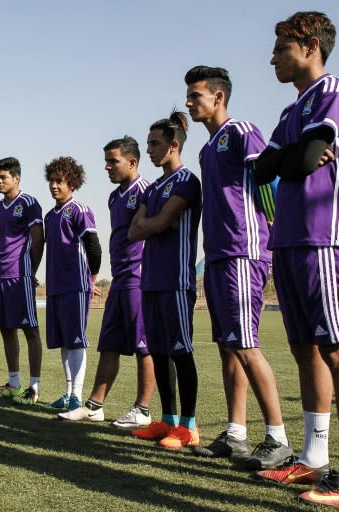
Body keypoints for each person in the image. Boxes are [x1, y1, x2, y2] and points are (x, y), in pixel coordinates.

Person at [184, 65, 292, 468]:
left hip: (243, 253)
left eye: (196, 95)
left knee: (246, 345)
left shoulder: (241, 130)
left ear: (219, 97)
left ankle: (278, 439)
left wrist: (277, 223)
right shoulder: (207, 148)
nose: (190, 102)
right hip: (217, 256)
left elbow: (269, 181)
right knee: (229, 347)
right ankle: (235, 434)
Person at [252, 11, 339, 507]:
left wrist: (295, 155)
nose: (272, 57)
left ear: (308, 46)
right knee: (307, 350)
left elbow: (306, 161)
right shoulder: (290, 113)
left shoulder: (331, 93)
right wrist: (294, 155)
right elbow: (265, 170)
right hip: (286, 241)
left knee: (334, 348)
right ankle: (314, 455)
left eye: (280, 48)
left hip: (320, 240)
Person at [127, 111, 202, 450]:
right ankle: (168, 420)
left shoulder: (188, 180)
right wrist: (156, 223)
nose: (150, 150)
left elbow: (155, 225)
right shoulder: (154, 186)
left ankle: (189, 426)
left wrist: (156, 223)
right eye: (147, 144)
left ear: (173, 145)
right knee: (158, 352)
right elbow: (133, 231)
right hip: (151, 280)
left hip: (176, 279)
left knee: (180, 351)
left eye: (154, 144)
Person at [73, 137, 155, 428]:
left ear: (132, 162)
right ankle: (94, 406)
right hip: (120, 278)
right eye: (106, 161)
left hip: (139, 277)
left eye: (113, 161)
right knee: (108, 343)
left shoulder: (147, 191)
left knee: (144, 345)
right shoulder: (114, 196)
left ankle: (142, 409)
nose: (107, 167)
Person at [42, 157, 101, 420]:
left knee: (76, 340)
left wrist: (92, 278)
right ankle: (68, 392)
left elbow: (94, 246)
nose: (54, 186)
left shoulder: (79, 209)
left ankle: (77, 394)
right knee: (63, 341)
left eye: (59, 181)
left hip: (76, 284)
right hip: (55, 285)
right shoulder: (49, 216)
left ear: (72, 183)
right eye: (52, 181)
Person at [0, 157, 45, 405]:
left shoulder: (30, 203)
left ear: (17, 178)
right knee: (6, 329)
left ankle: (34, 388)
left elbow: (39, 240)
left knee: (30, 330)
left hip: (20, 275)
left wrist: (31, 270)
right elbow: (1, 241)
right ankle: (14, 383)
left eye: (4, 177)